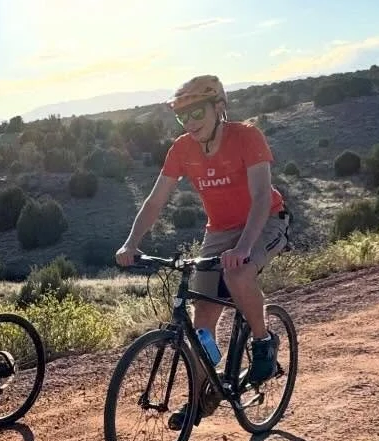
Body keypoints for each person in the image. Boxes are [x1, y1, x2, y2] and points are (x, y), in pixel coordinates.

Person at [117, 75, 291, 417]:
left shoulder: (246, 137)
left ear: (219, 108)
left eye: (197, 112)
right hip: (220, 231)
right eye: (184, 116)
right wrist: (130, 243)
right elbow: (155, 202)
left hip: (266, 219)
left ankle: (264, 343)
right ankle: (202, 396)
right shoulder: (182, 148)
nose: (190, 122)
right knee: (201, 323)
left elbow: (259, 197)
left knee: (240, 276)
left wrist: (242, 248)